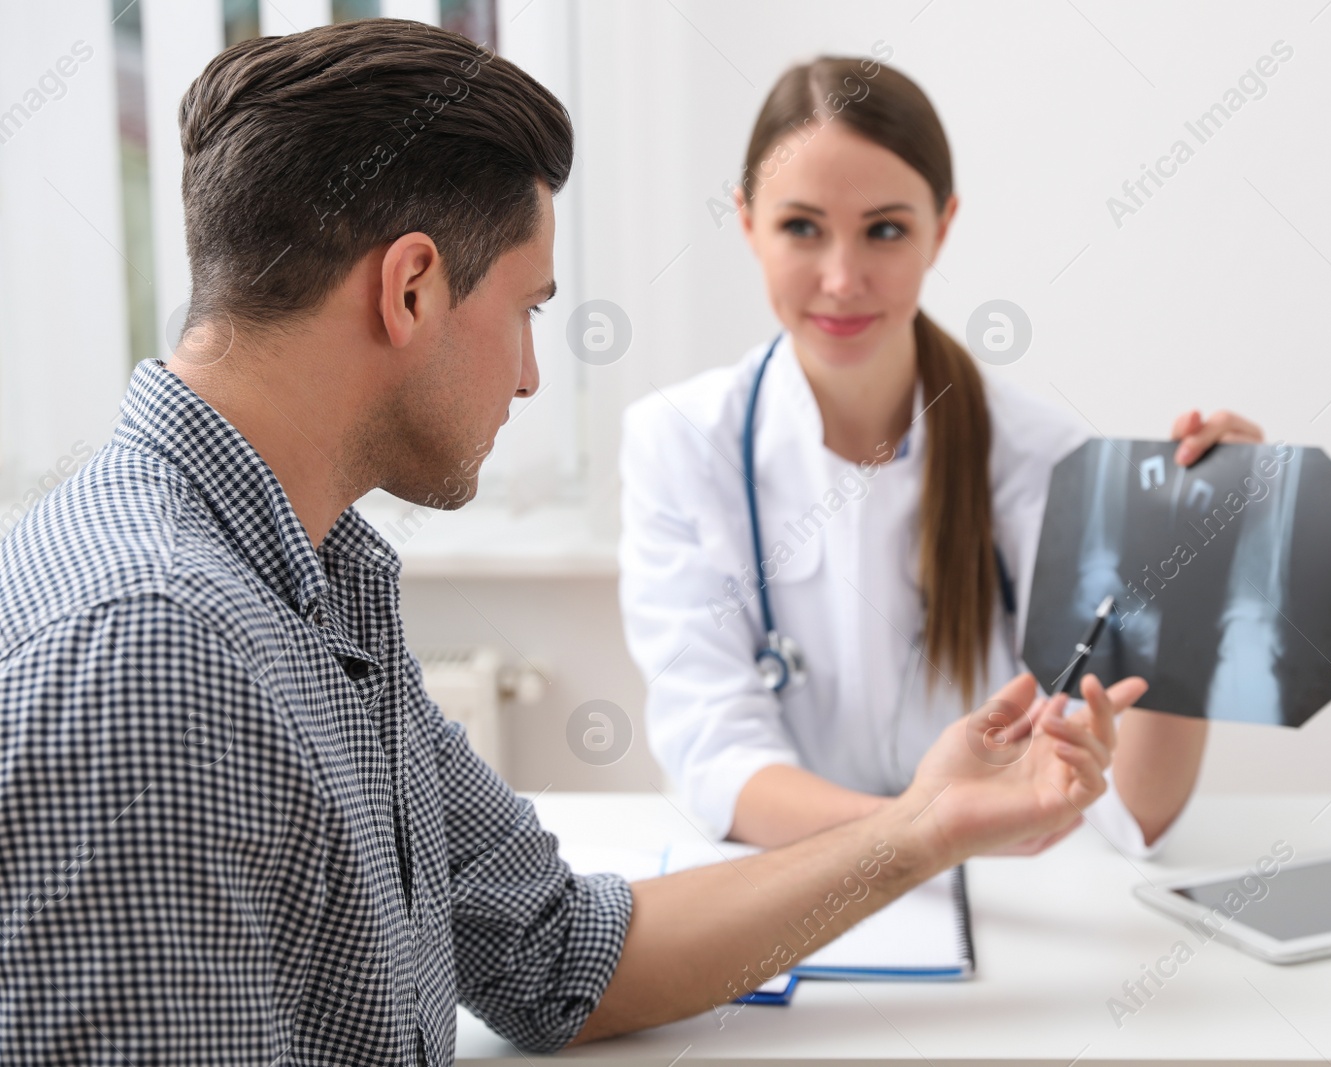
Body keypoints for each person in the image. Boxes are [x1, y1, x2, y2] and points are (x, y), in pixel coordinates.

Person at [0, 20, 1144, 1064]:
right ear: (410, 289)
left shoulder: (313, 583)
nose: (533, 372)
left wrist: (921, 825)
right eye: (529, 307)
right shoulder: (149, 659)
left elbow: (558, 952)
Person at [619, 58, 1264, 855]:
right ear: (747, 220)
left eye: (885, 229)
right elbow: (717, 756)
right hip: (784, 900)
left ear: (942, 226)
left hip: (1001, 907)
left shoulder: (1044, 457)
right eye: (801, 227)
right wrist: (937, 828)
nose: (842, 277)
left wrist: (1196, 579)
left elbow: (1135, 809)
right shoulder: (678, 441)